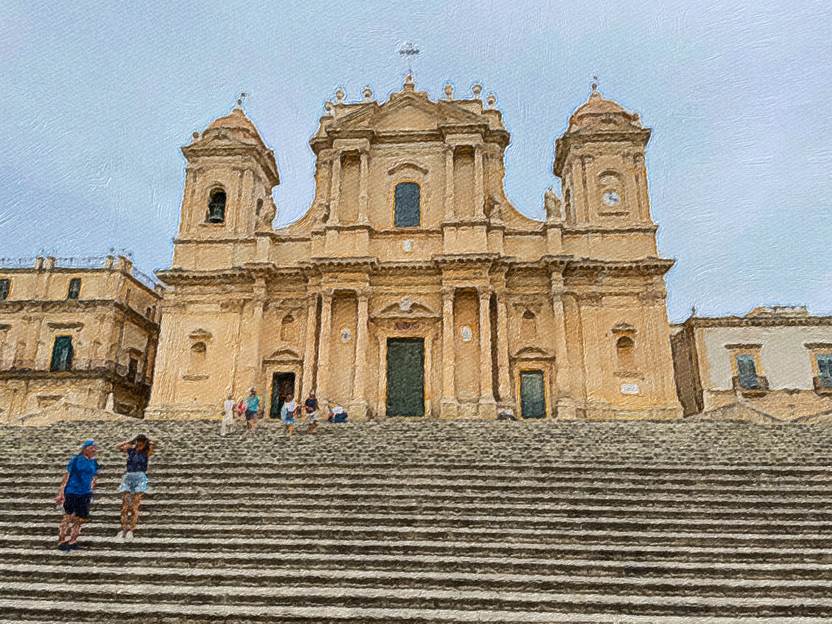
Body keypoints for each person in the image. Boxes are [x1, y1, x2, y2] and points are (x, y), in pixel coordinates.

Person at [55, 439, 99, 551]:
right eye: (91, 447)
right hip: (72, 491)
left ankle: (73, 540)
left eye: (94, 447)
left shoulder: (93, 462)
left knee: (80, 518)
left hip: (85, 492)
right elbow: (67, 475)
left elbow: (94, 475)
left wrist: (92, 485)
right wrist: (61, 492)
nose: (93, 449)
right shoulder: (75, 460)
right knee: (68, 516)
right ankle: (62, 539)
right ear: (85, 449)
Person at [115, 435, 154, 541]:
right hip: (129, 476)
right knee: (125, 507)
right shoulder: (131, 450)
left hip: (140, 477)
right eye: (138, 442)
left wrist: (147, 440)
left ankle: (131, 530)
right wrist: (130, 440)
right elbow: (117, 447)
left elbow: (154, 443)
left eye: (141, 442)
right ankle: (123, 529)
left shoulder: (147, 452)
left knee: (134, 507)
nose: (139, 444)